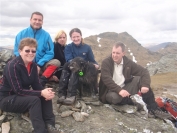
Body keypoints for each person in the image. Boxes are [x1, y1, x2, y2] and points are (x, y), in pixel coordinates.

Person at [0, 38, 60, 133]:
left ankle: (50, 125)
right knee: (34, 100)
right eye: (27, 50)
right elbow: (18, 90)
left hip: (22, 96)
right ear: (20, 51)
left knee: (46, 94)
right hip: (7, 99)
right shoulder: (12, 66)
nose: (30, 53)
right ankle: (40, 130)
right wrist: (41, 93)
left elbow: (36, 84)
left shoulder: (32, 66)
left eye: (33, 51)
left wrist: (45, 93)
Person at [99, 41, 171, 119]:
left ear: (123, 53)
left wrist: (145, 85)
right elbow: (106, 79)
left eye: (117, 53)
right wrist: (119, 90)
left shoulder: (128, 63)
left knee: (139, 79)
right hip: (110, 91)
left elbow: (144, 72)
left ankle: (153, 109)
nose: (114, 55)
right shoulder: (106, 62)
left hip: (125, 88)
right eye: (113, 52)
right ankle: (135, 102)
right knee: (114, 97)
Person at [14, 11, 60, 87]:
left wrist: (39, 64)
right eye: (35, 19)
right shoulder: (21, 34)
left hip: (40, 66)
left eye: (39, 20)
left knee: (56, 62)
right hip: (24, 65)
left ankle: (42, 80)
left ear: (42, 22)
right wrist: (27, 63)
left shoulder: (46, 35)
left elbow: (50, 53)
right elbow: (17, 51)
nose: (37, 22)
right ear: (30, 20)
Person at [57, 28, 99, 105]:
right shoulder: (68, 47)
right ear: (71, 38)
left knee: (77, 69)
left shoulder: (87, 47)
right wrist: (76, 63)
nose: (76, 39)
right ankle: (61, 94)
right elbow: (68, 60)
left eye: (77, 36)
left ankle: (71, 95)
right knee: (68, 66)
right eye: (74, 37)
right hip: (70, 70)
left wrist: (96, 65)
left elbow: (92, 60)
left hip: (82, 74)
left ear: (81, 36)